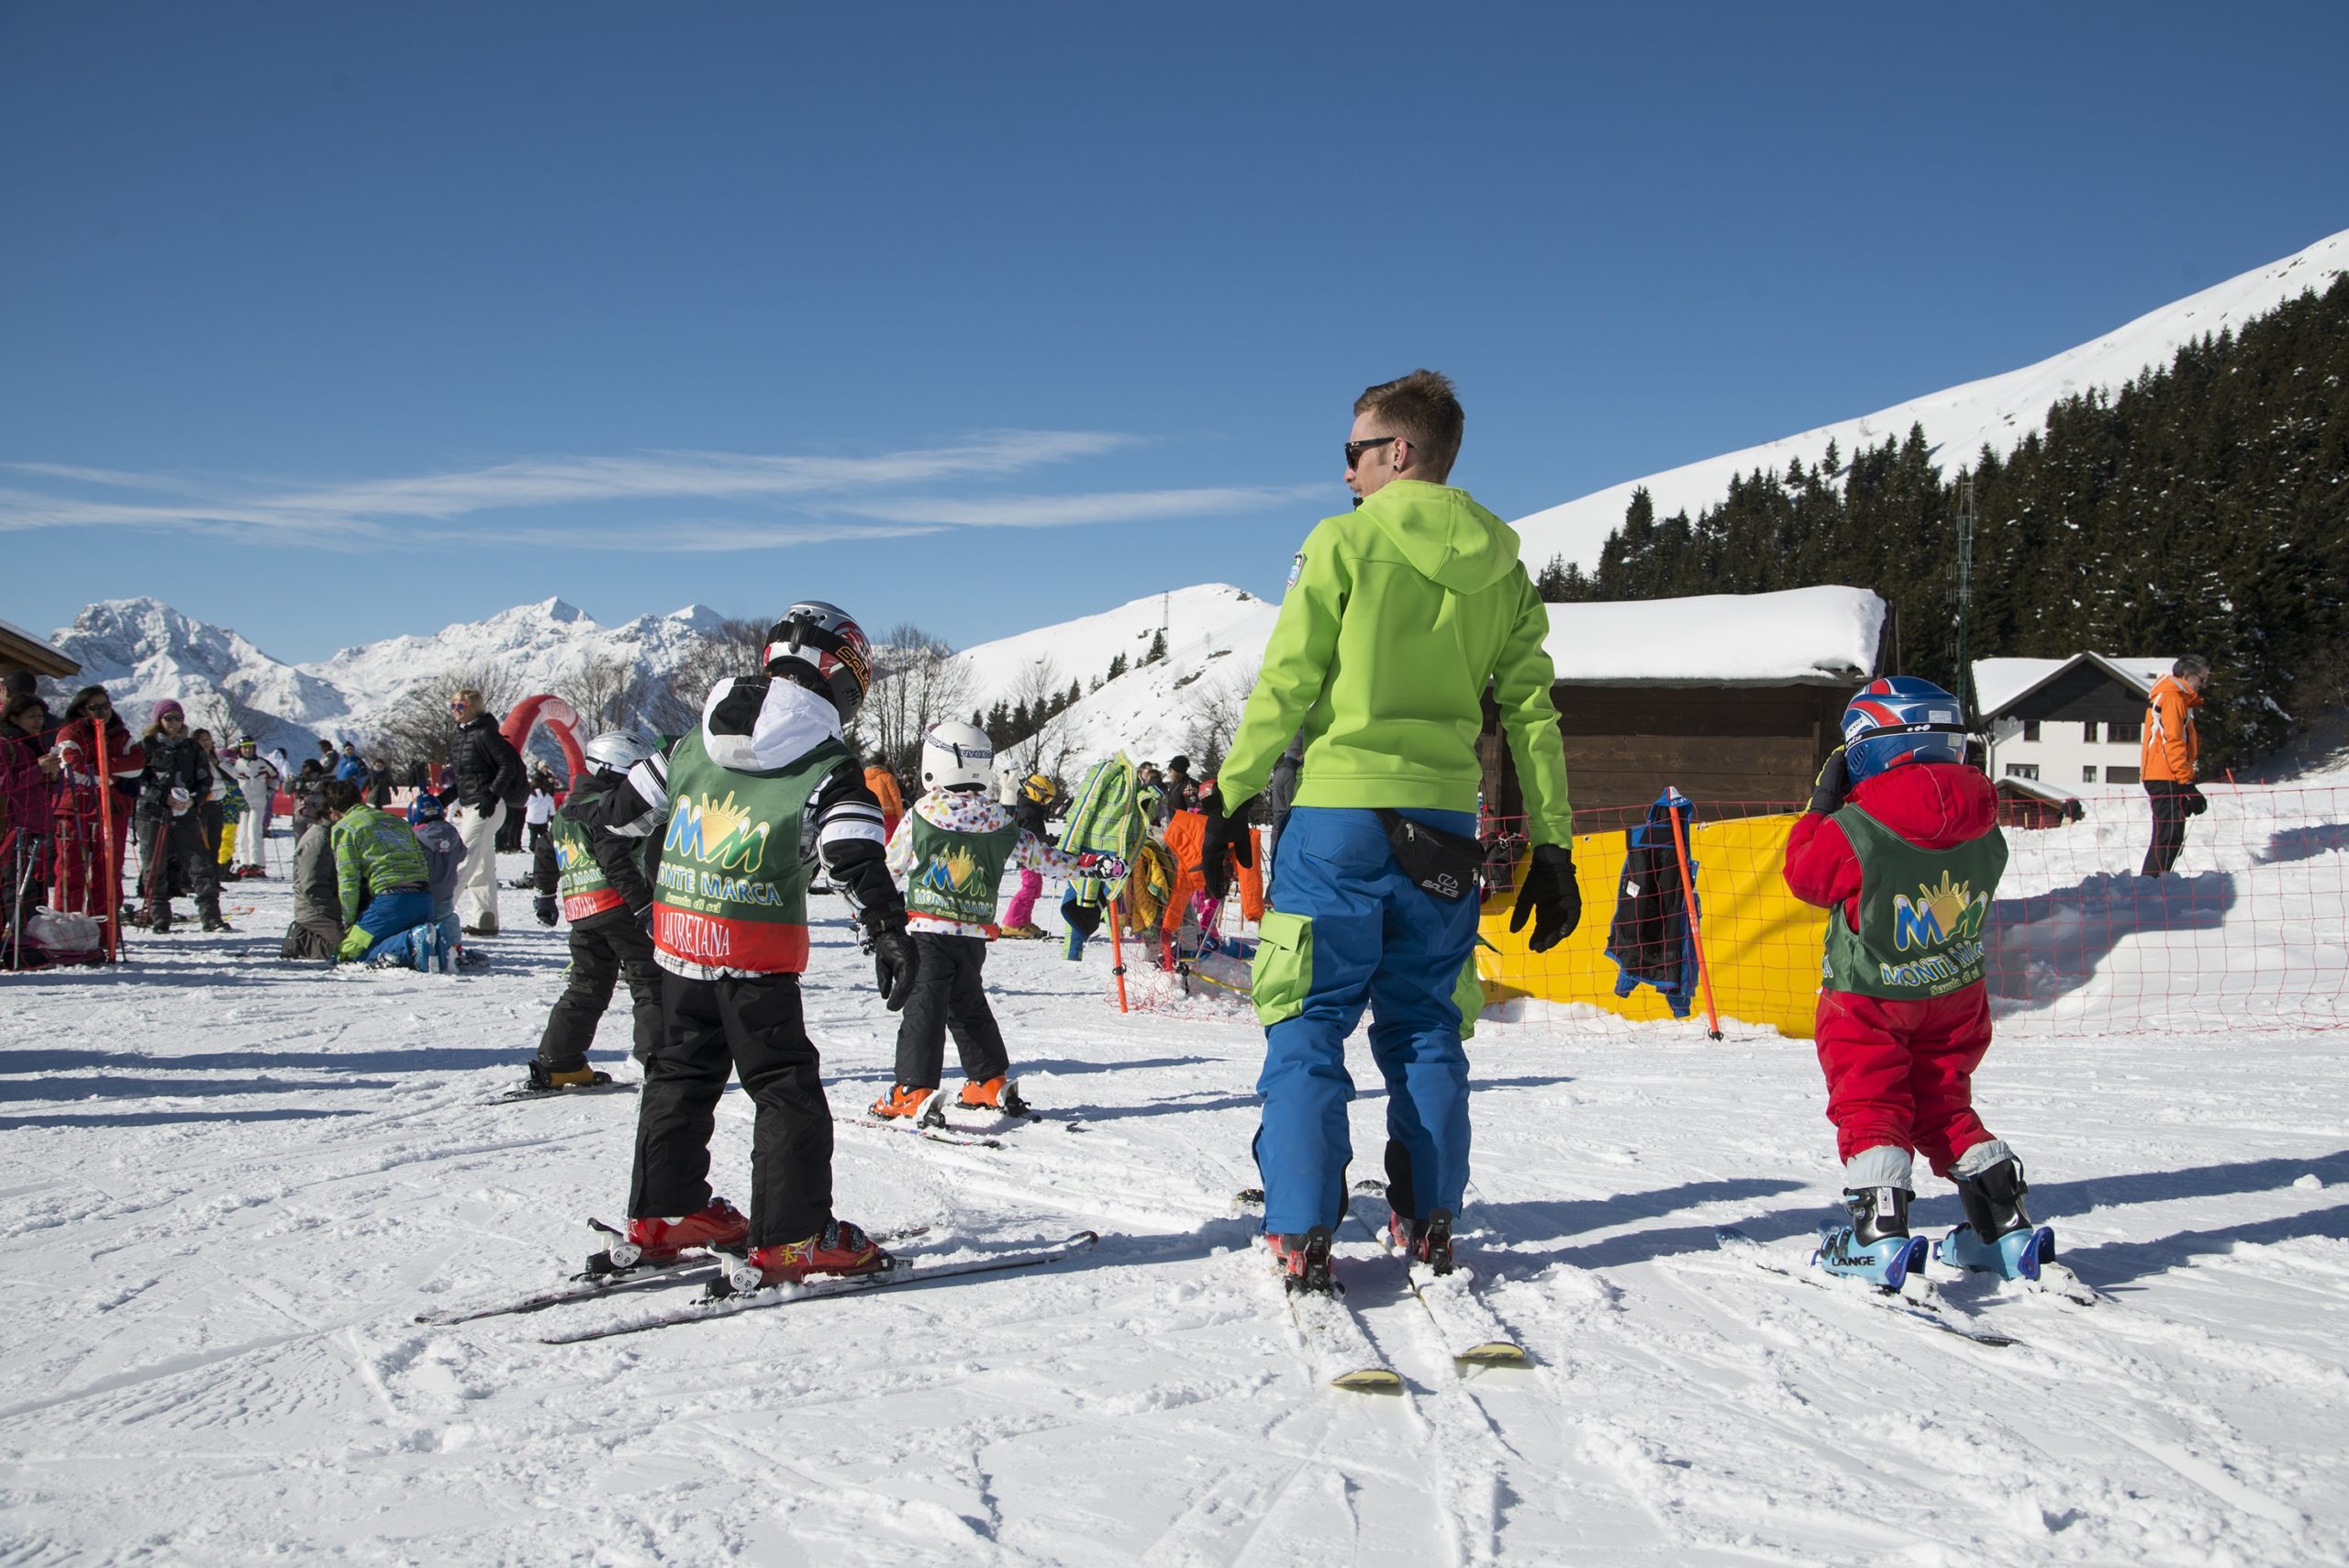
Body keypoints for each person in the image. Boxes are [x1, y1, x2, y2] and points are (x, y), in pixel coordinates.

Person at [1202, 368, 1581, 1291]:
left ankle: (1300, 1220)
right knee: (1423, 1026)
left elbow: (1287, 680)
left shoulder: (1341, 543)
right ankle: (1428, 1208)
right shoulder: (1504, 568)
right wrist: (1555, 846)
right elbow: (1532, 712)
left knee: (1306, 1017)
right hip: (1443, 829)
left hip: (1337, 816)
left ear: (1398, 452)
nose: (1344, 473)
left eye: (1353, 451)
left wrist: (1228, 795)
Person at [567, 600, 919, 1287]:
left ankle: (666, 1214)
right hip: (755, 953)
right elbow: (850, 849)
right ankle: (792, 1236)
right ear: (841, 675)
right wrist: (884, 928)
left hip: (678, 944)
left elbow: (617, 817)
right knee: (784, 1086)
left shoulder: (691, 739)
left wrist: (648, 896)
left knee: (679, 1073)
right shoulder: (823, 758)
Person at [1784, 676, 2052, 1284]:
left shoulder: (1857, 828)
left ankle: (1875, 1235)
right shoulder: (1984, 819)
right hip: (1954, 990)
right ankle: (2004, 1225)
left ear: (1866, 748)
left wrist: (1821, 806)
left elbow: (1805, 876)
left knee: (1871, 1099)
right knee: (1943, 1102)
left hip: (1870, 994)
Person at [870, 725, 1101, 1125]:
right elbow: (1042, 856)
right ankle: (987, 1080)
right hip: (973, 936)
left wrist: (872, 914)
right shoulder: (999, 819)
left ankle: (913, 1088)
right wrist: (1086, 866)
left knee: (924, 1008)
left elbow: (890, 867)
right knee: (967, 1005)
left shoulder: (922, 814)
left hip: (929, 929)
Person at [522, 731, 664, 1092]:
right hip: (617, 907)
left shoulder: (569, 808)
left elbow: (545, 848)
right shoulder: (606, 806)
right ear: (612, 770)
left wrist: (545, 893)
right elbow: (615, 861)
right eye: (633, 773)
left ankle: (560, 1062)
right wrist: (645, 907)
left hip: (582, 911)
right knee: (651, 981)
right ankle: (662, 1063)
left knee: (587, 986)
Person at [50, 687, 143, 925]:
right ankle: (67, 930)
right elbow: (73, 769)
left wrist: (99, 768)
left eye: (106, 705)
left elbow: (137, 764)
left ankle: (104, 930)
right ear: (82, 709)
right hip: (75, 809)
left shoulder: (121, 734)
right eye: (95, 707)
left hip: (112, 809)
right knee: (71, 871)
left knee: (108, 872)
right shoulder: (69, 732)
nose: (103, 711)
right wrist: (111, 776)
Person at [133, 701, 227, 933]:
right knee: (155, 866)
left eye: (178, 718)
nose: (174, 723)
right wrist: (162, 797)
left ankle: (211, 916)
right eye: (169, 718)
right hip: (152, 814)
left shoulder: (191, 747)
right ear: (158, 720)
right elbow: (138, 781)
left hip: (185, 813)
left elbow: (205, 779)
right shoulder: (146, 746)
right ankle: (159, 916)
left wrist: (194, 800)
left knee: (200, 864)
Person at [322, 779, 434, 964]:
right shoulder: (396, 822)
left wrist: (349, 921)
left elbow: (348, 880)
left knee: (346, 954)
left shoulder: (345, 828)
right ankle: (436, 945)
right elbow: (422, 862)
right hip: (424, 898)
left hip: (391, 901)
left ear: (332, 809)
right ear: (361, 799)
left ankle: (410, 943)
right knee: (394, 938)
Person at [446, 688, 525, 935]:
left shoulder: (486, 734)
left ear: (473, 707)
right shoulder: (460, 737)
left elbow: (507, 765)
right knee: (481, 864)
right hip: (470, 804)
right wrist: (444, 798)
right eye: (453, 705)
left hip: (487, 806)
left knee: (463, 858)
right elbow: (465, 778)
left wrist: (493, 795)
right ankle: (485, 918)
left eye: (461, 706)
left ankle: (439, 913)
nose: (455, 710)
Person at [2141, 655, 2211, 878]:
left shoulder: (2176, 698)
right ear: (2187, 676)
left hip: (2167, 775)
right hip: (2166, 776)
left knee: (2170, 834)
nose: (2204, 685)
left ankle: (2156, 882)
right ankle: (2151, 884)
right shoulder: (2172, 699)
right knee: (2168, 835)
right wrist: (2187, 784)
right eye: (2203, 679)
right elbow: (2174, 742)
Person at [280, 790, 345, 961]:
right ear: (332, 811)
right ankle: (301, 940)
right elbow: (312, 887)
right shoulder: (319, 839)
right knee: (346, 949)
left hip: (334, 903)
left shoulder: (337, 832)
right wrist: (337, 912)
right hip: (315, 909)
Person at [997, 773, 1062, 940]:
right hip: (1028, 855)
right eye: (1044, 798)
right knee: (1029, 888)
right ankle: (1012, 923)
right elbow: (1035, 835)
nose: (1045, 802)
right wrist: (1055, 841)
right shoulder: (1028, 810)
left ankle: (1023, 921)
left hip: (1033, 854)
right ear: (1035, 791)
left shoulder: (1031, 807)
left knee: (1034, 888)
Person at [224, 739, 280, 877]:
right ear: (240, 749)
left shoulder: (262, 763)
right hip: (242, 804)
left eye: (250, 748)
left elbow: (275, 776)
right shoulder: (236, 764)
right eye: (244, 748)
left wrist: (270, 792)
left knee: (254, 831)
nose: (247, 750)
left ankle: (257, 863)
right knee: (242, 833)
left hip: (258, 803)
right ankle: (245, 862)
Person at [523, 769, 557, 859]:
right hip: (542, 820)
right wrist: (552, 816)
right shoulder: (547, 796)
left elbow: (524, 804)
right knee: (544, 835)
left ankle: (533, 846)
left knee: (533, 835)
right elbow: (552, 809)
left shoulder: (530, 795)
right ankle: (545, 847)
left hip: (531, 819)